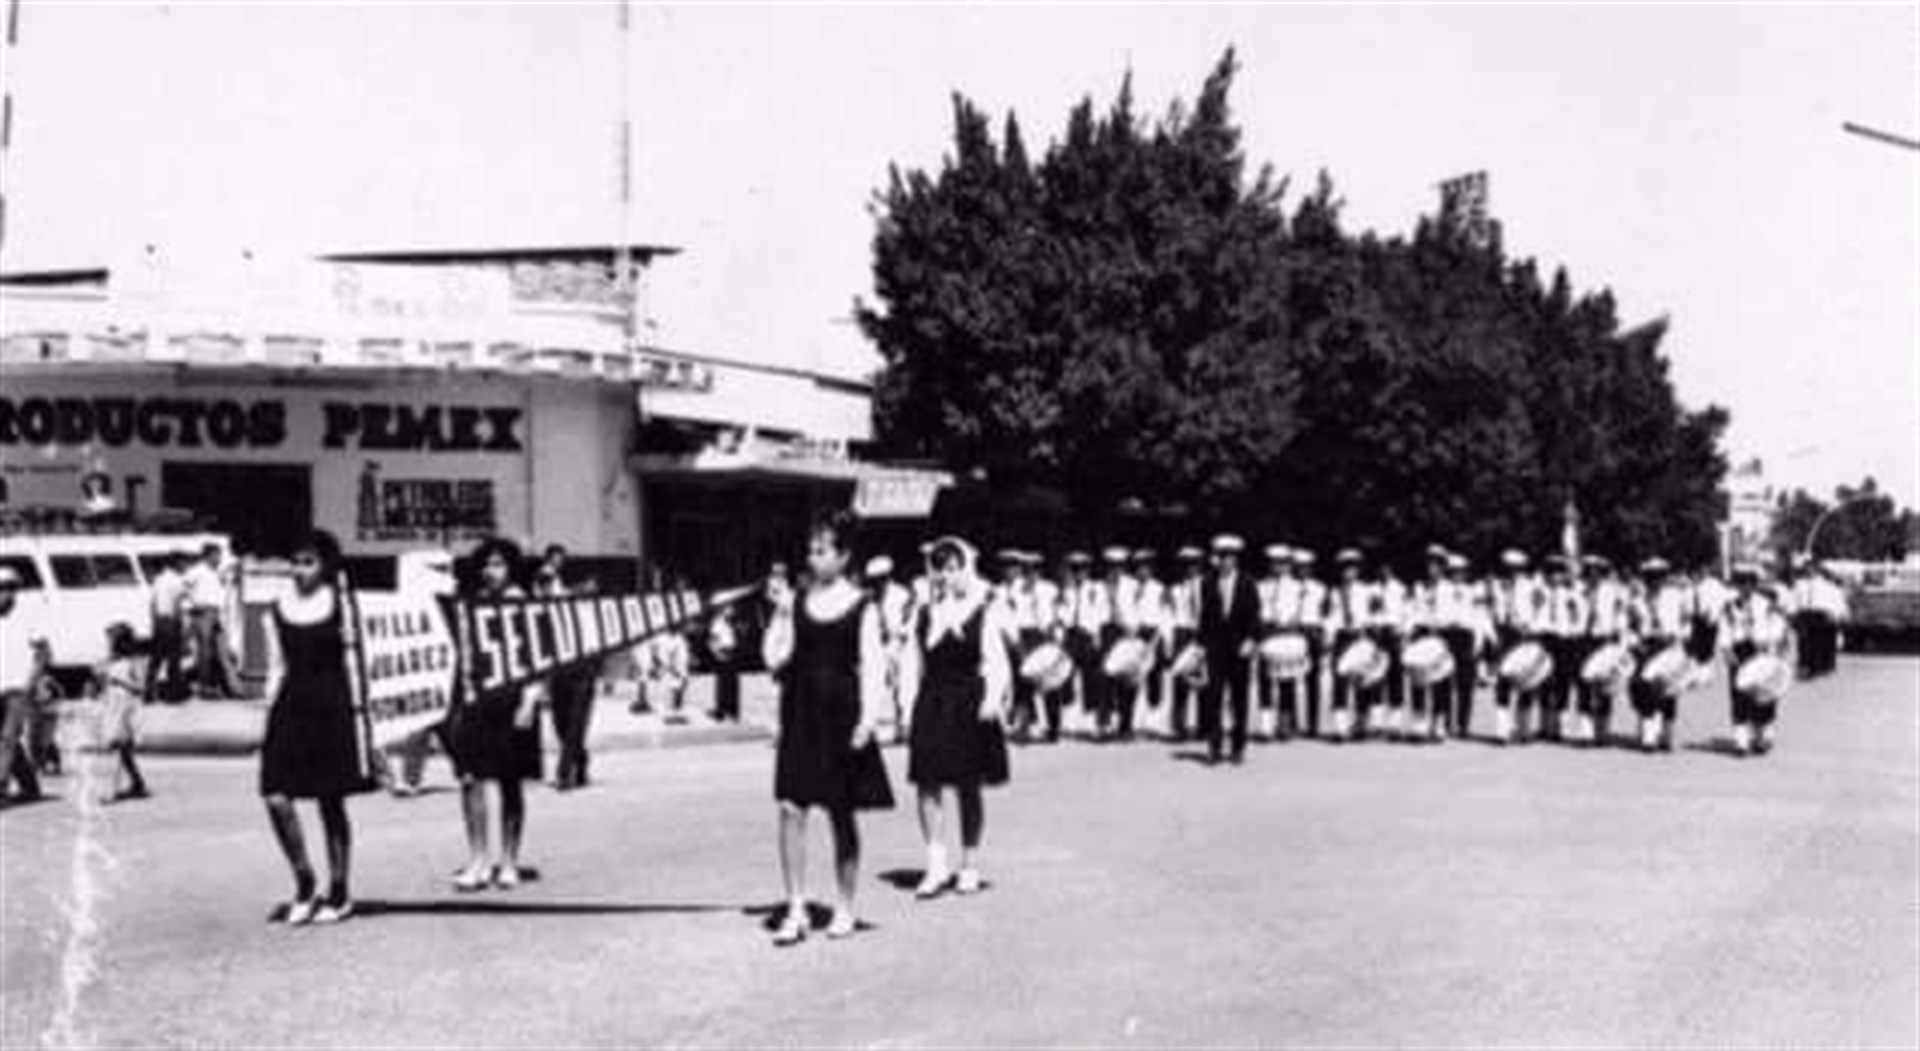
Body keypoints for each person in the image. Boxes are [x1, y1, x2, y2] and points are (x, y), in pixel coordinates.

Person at [763, 512, 894, 945]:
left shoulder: (862, 605)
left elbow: (874, 667)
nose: (814, 557)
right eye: (811, 550)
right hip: (800, 712)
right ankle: (797, 906)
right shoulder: (796, 602)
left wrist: (868, 720)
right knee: (790, 807)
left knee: (841, 813)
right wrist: (780, 617)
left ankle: (844, 906)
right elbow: (774, 659)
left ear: (843, 557)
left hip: (842, 715)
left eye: (823, 550)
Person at [258, 530, 375, 925]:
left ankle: (339, 890)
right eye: (295, 561)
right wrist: (268, 715)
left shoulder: (341, 605)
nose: (299, 570)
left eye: (308, 562)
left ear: (324, 566)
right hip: (292, 704)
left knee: (330, 800)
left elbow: (357, 663)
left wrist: (365, 717)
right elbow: (276, 667)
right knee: (275, 795)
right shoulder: (276, 607)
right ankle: (305, 881)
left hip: (333, 704)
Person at [903, 537, 1012, 898]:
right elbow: (910, 664)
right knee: (927, 782)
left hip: (969, 700)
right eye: (939, 568)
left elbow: (997, 661)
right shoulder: (923, 613)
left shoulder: (984, 609)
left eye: (952, 568)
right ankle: (936, 864)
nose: (946, 576)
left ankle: (969, 863)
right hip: (932, 700)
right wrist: (906, 709)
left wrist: (992, 699)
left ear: (964, 568)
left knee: (969, 785)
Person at [447, 537, 544, 892]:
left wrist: (530, 701)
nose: (492, 571)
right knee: (471, 780)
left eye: (499, 564)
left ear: (512, 568)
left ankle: (509, 861)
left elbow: (539, 657)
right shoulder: (473, 604)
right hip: (477, 702)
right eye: (487, 565)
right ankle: (478, 859)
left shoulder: (525, 605)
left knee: (510, 782)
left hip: (513, 702)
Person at [537, 547, 597, 791]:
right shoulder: (548, 603)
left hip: (583, 666)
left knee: (574, 723)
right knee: (560, 723)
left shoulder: (587, 613)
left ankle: (565, 772)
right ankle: (580, 761)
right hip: (560, 667)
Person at [1197, 534, 1260, 765]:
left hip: (1239, 648)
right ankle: (1214, 747)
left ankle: (1238, 747)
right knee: (1213, 696)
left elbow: (1254, 617)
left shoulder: (1248, 583)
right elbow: (1204, 617)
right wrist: (1200, 645)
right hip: (1215, 648)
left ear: (1237, 559)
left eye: (1230, 557)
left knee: (1239, 699)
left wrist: (1252, 641)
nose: (1225, 561)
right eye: (1222, 557)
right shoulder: (1207, 582)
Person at [1720, 564, 1789, 757]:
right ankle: (1740, 740)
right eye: (1741, 582)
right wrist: (1726, 649)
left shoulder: (1766, 604)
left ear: (1755, 584)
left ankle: (1762, 735)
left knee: (1764, 695)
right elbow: (1725, 629)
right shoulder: (1729, 606)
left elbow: (1778, 625)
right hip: (1740, 651)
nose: (1745, 587)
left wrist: (1771, 646)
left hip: (1761, 651)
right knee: (1739, 695)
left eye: (1749, 582)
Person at [1629, 558, 1689, 752]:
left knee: (1669, 691)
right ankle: (1648, 737)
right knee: (1646, 690)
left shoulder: (1676, 597)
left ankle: (1667, 734)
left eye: (1659, 577)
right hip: (1647, 647)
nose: (1654, 581)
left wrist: (1680, 636)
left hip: (1669, 645)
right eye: (1650, 577)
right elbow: (1629, 626)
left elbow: (1687, 622)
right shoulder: (1637, 601)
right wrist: (1634, 643)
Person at [0, 567, 48, 806]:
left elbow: (43, 652)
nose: (4, 594)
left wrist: (33, 680)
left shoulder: (28, 616)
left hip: (18, 687)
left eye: (8, 589)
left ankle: (1, 787)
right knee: (8, 740)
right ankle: (30, 785)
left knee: (8, 737)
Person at [1487, 550, 1547, 743]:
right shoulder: (1497, 586)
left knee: (1526, 681)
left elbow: (1540, 609)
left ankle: (1524, 729)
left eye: (1516, 569)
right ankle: (1502, 730)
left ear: (1522, 569)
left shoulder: (1531, 587)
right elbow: (1491, 610)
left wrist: (1531, 626)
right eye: (1508, 568)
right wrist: (1493, 633)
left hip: (1524, 634)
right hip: (1504, 634)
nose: (1512, 572)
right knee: (1502, 682)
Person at [92, 622, 151, 802]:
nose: (108, 644)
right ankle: (137, 783)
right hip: (112, 706)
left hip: (125, 708)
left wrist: (119, 681)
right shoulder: (111, 660)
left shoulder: (134, 662)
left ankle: (110, 791)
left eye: (111, 640)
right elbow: (99, 676)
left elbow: (141, 687)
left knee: (114, 747)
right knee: (123, 750)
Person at [1580, 556, 1633, 747]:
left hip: (1605, 639)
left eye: (1596, 571)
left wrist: (1619, 637)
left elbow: (1620, 614)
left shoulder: (1612, 591)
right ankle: (1586, 733)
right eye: (1589, 570)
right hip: (1585, 640)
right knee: (1585, 686)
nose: (1592, 574)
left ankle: (1603, 731)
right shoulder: (1580, 590)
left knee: (1605, 687)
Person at [184, 543, 241, 699]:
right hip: (203, 612)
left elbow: (231, 568)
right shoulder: (196, 571)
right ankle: (205, 687)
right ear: (208, 555)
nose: (219, 558)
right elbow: (184, 588)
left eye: (220, 555)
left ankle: (233, 687)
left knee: (223, 651)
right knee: (205, 652)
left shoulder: (217, 572)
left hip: (217, 613)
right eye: (216, 555)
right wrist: (192, 605)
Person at [1165, 547, 1207, 742]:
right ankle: (1179, 726)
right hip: (1182, 633)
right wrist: (1169, 641)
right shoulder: (1175, 589)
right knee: (1180, 681)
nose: (1191, 568)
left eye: (1194, 564)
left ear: (1200, 565)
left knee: (1202, 679)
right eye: (1186, 564)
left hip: (1200, 632)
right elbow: (1170, 616)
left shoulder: (1208, 585)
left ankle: (1204, 726)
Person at [146, 553, 189, 704]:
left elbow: (152, 604)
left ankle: (148, 693)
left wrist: (154, 623)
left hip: (159, 621)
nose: (185, 566)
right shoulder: (177, 581)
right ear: (176, 564)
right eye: (183, 563)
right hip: (171, 621)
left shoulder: (158, 579)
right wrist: (181, 626)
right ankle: (173, 695)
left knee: (155, 659)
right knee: (173, 659)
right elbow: (177, 604)